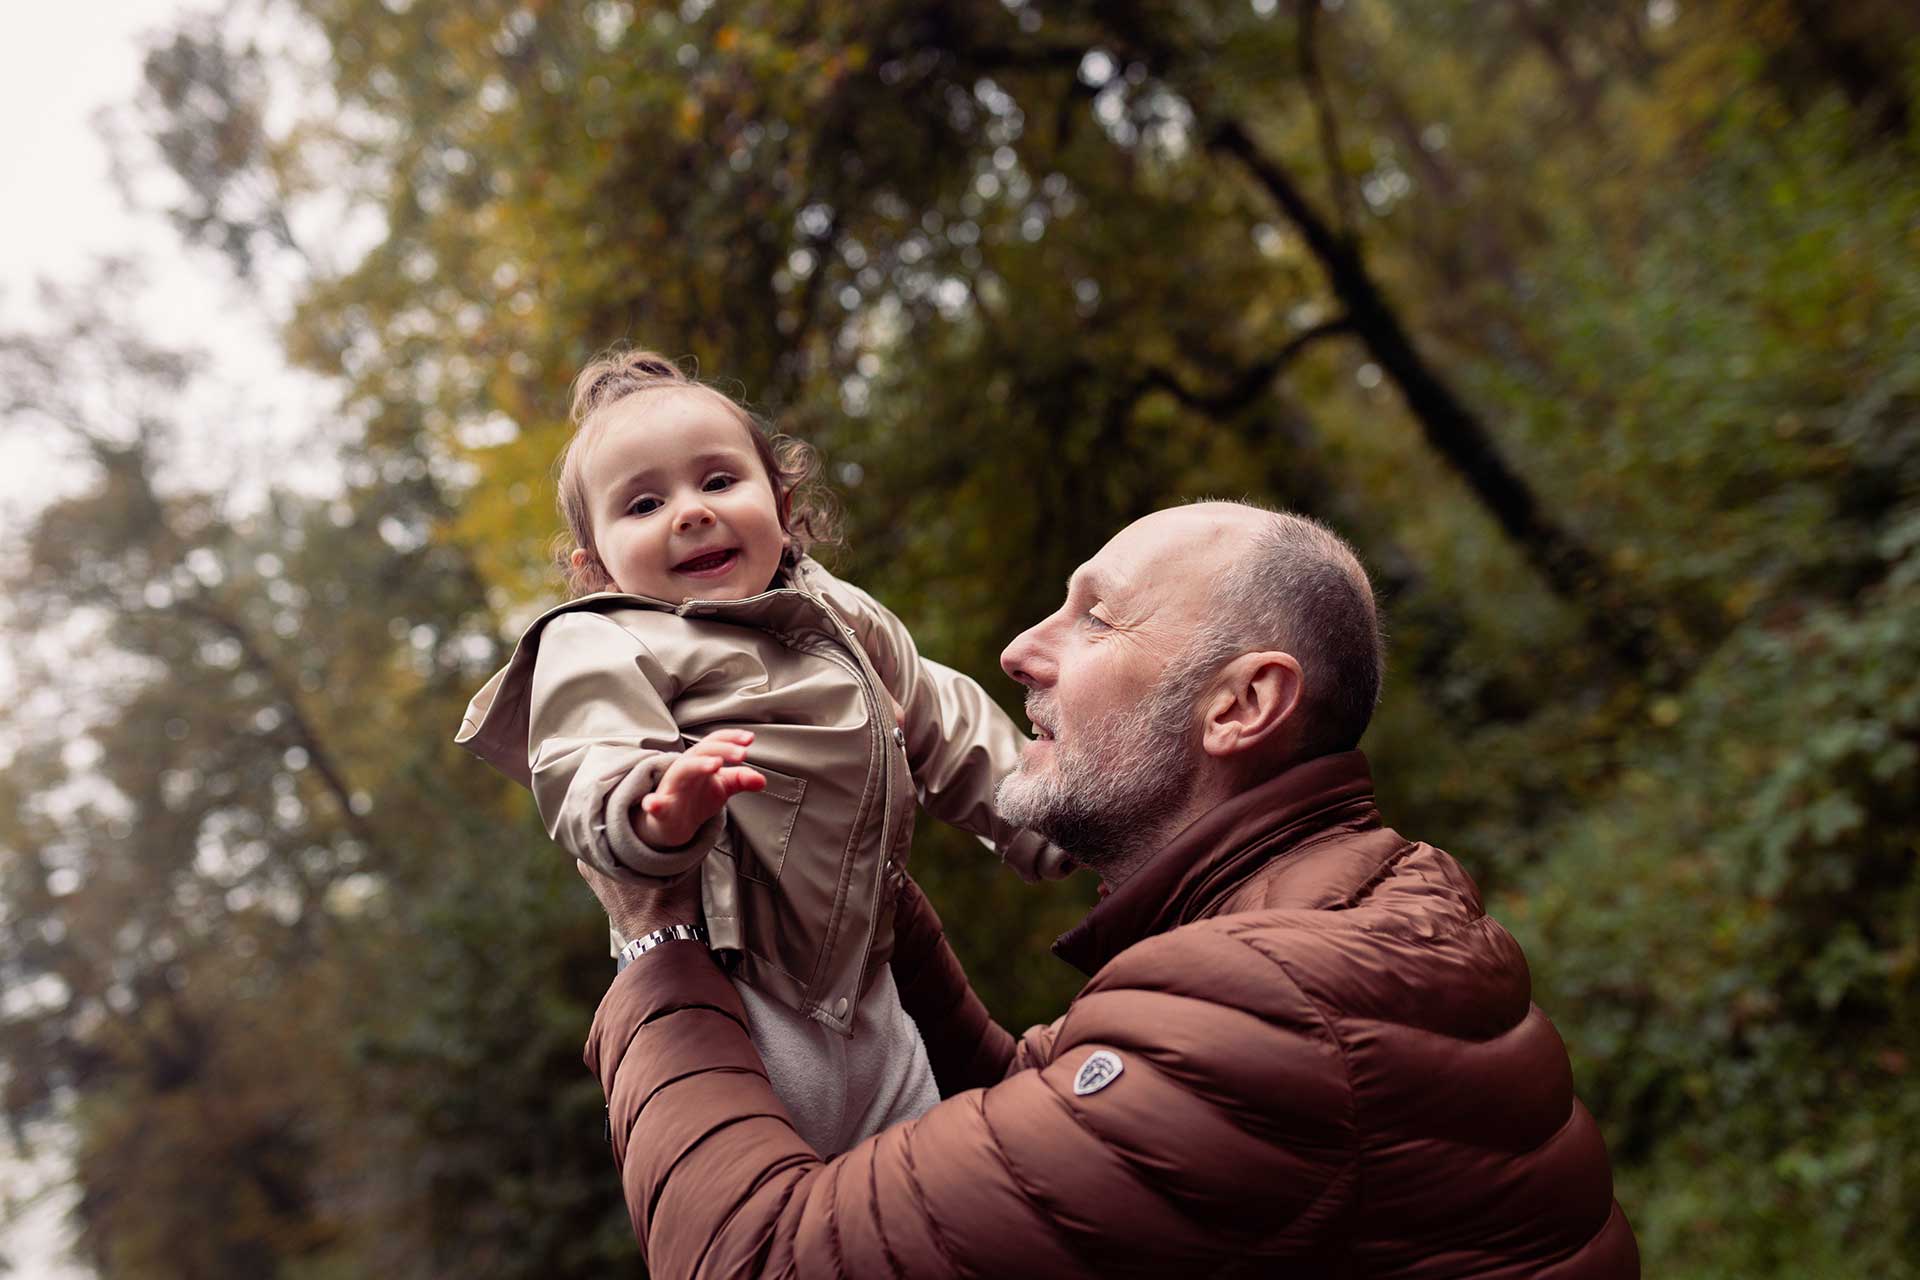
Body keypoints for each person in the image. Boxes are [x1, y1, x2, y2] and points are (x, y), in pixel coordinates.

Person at [576, 499, 1641, 1278]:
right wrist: (851, 868)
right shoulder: (1333, 914)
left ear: (1241, 705)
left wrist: (655, 938)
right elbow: (1029, 1113)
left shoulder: (1278, 1011)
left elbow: (758, 1259)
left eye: (1094, 617)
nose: (1019, 651)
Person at [457, 349, 1064, 1156]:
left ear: (781, 504)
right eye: (644, 503)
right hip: (745, 996)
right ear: (595, 562)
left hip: (870, 995)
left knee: (931, 1185)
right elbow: (582, 751)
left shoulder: (835, 610)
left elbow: (936, 710)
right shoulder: (603, 637)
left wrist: (1047, 816)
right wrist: (654, 806)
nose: (690, 513)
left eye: (717, 481)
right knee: (790, 1204)